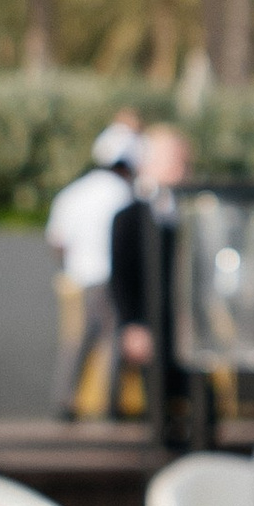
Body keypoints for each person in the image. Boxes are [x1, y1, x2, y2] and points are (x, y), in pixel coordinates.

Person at [109, 122, 195, 447]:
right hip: (150, 324)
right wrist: (131, 324)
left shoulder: (191, 214)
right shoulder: (129, 218)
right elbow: (121, 276)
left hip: (187, 328)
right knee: (159, 410)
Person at [45, 125, 138, 417]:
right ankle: (111, 406)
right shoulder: (123, 194)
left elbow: (57, 240)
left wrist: (70, 269)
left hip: (80, 279)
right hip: (111, 277)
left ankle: (65, 400)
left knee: (80, 339)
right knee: (112, 339)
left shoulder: (75, 192)